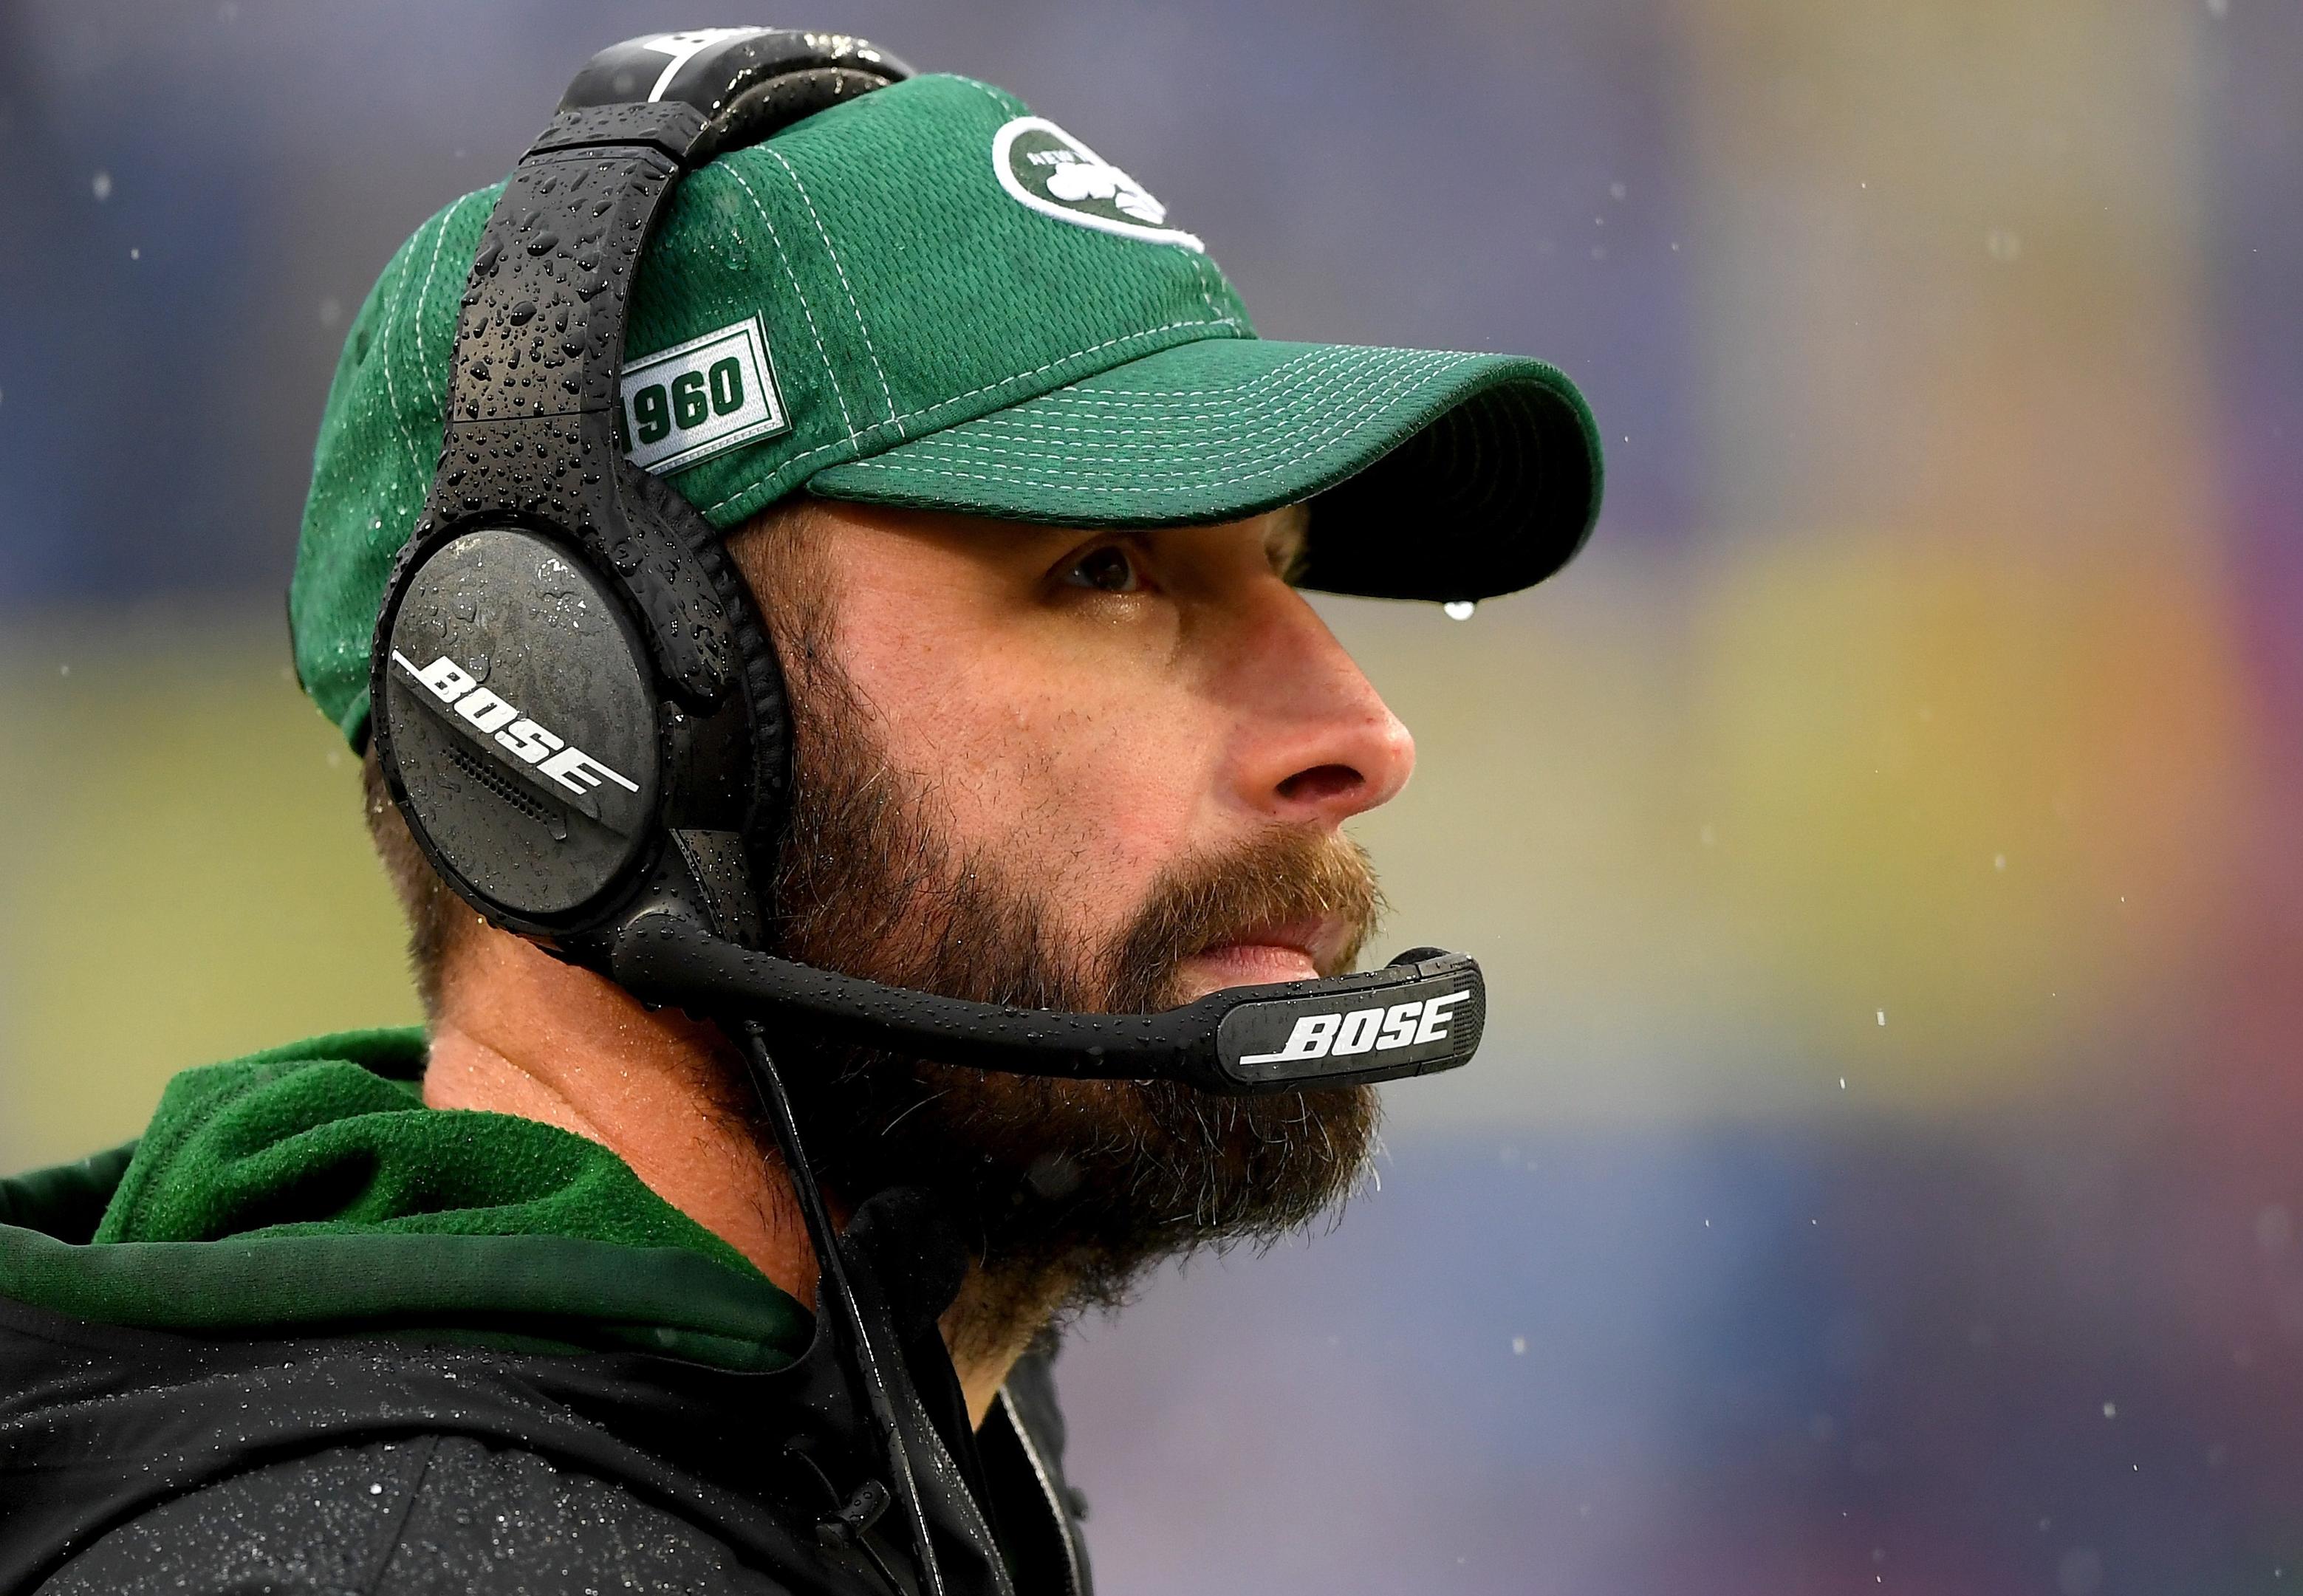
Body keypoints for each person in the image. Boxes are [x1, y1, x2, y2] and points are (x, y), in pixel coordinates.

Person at [0, 36, 1597, 1596]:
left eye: (1284, 562)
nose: (1361, 736)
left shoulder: (858, 1450)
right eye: (1106, 570)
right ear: (595, 716)